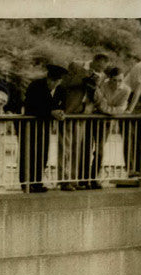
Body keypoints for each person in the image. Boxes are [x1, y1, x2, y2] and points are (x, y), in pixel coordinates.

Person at [61, 54, 108, 188]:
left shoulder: (102, 75)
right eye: (98, 67)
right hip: (70, 111)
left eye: (102, 68)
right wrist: (84, 77)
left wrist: (95, 87)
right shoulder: (76, 65)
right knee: (66, 149)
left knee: (78, 150)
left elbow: (98, 98)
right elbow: (65, 84)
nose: (100, 70)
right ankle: (63, 180)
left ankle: (74, 180)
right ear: (94, 61)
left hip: (85, 114)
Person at [19, 63, 66, 193]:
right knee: (28, 152)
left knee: (42, 152)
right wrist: (50, 112)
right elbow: (31, 105)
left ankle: (37, 181)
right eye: (51, 80)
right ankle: (25, 182)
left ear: (60, 81)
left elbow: (62, 104)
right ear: (47, 78)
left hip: (45, 126)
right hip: (31, 125)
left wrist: (61, 112)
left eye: (56, 81)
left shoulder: (61, 90)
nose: (53, 84)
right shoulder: (36, 86)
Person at [93, 66, 132, 184]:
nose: (117, 83)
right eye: (114, 80)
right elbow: (100, 104)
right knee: (85, 148)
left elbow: (121, 108)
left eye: (120, 80)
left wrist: (109, 111)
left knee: (99, 150)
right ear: (110, 79)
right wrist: (111, 110)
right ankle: (83, 177)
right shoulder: (102, 86)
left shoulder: (126, 90)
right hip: (94, 118)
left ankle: (93, 176)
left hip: (107, 122)